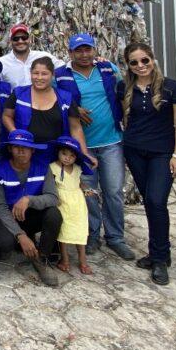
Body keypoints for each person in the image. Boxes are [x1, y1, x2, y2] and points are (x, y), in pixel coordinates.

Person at [54, 33, 133, 260]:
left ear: (94, 50)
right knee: (89, 193)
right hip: (81, 145)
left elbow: (124, 95)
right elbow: (53, 99)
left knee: (113, 191)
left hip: (111, 142)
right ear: (70, 53)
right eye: (78, 50)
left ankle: (116, 237)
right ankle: (92, 235)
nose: (84, 54)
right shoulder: (60, 75)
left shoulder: (108, 69)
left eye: (87, 49)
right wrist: (73, 108)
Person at [117, 42, 176, 285]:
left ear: (152, 59)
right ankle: (157, 252)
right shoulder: (124, 87)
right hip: (135, 150)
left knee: (157, 201)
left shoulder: (172, 87)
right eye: (134, 62)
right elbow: (125, 117)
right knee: (149, 201)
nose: (140, 66)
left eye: (144, 60)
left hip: (162, 153)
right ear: (128, 65)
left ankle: (160, 258)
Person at [0, 130, 62, 287]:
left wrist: (29, 200)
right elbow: (0, 207)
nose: (21, 151)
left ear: (32, 150)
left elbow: (53, 198)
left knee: (54, 214)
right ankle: (20, 241)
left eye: (25, 147)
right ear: (10, 149)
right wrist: (20, 235)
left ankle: (41, 259)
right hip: (10, 217)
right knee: (4, 244)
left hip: (32, 216)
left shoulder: (43, 167)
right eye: (16, 147)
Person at [2, 57, 93, 166]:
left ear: (53, 74)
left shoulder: (65, 98)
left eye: (44, 74)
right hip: (25, 154)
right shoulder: (19, 93)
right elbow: (7, 116)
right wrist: (16, 134)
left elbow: (75, 127)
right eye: (36, 73)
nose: (39, 77)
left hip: (57, 156)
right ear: (30, 73)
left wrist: (84, 152)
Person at [50, 136, 94, 276]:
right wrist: (55, 198)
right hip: (62, 202)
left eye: (72, 156)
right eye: (64, 154)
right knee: (64, 231)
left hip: (78, 203)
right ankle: (65, 260)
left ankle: (83, 260)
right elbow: (50, 185)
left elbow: (79, 182)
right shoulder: (52, 167)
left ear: (76, 158)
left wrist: (86, 189)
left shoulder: (77, 168)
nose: (67, 158)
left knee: (80, 230)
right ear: (58, 152)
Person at [0, 24, 66, 89]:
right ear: (10, 41)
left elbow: (64, 68)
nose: (20, 41)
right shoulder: (1, 63)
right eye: (16, 39)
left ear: (29, 39)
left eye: (24, 38)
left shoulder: (43, 56)